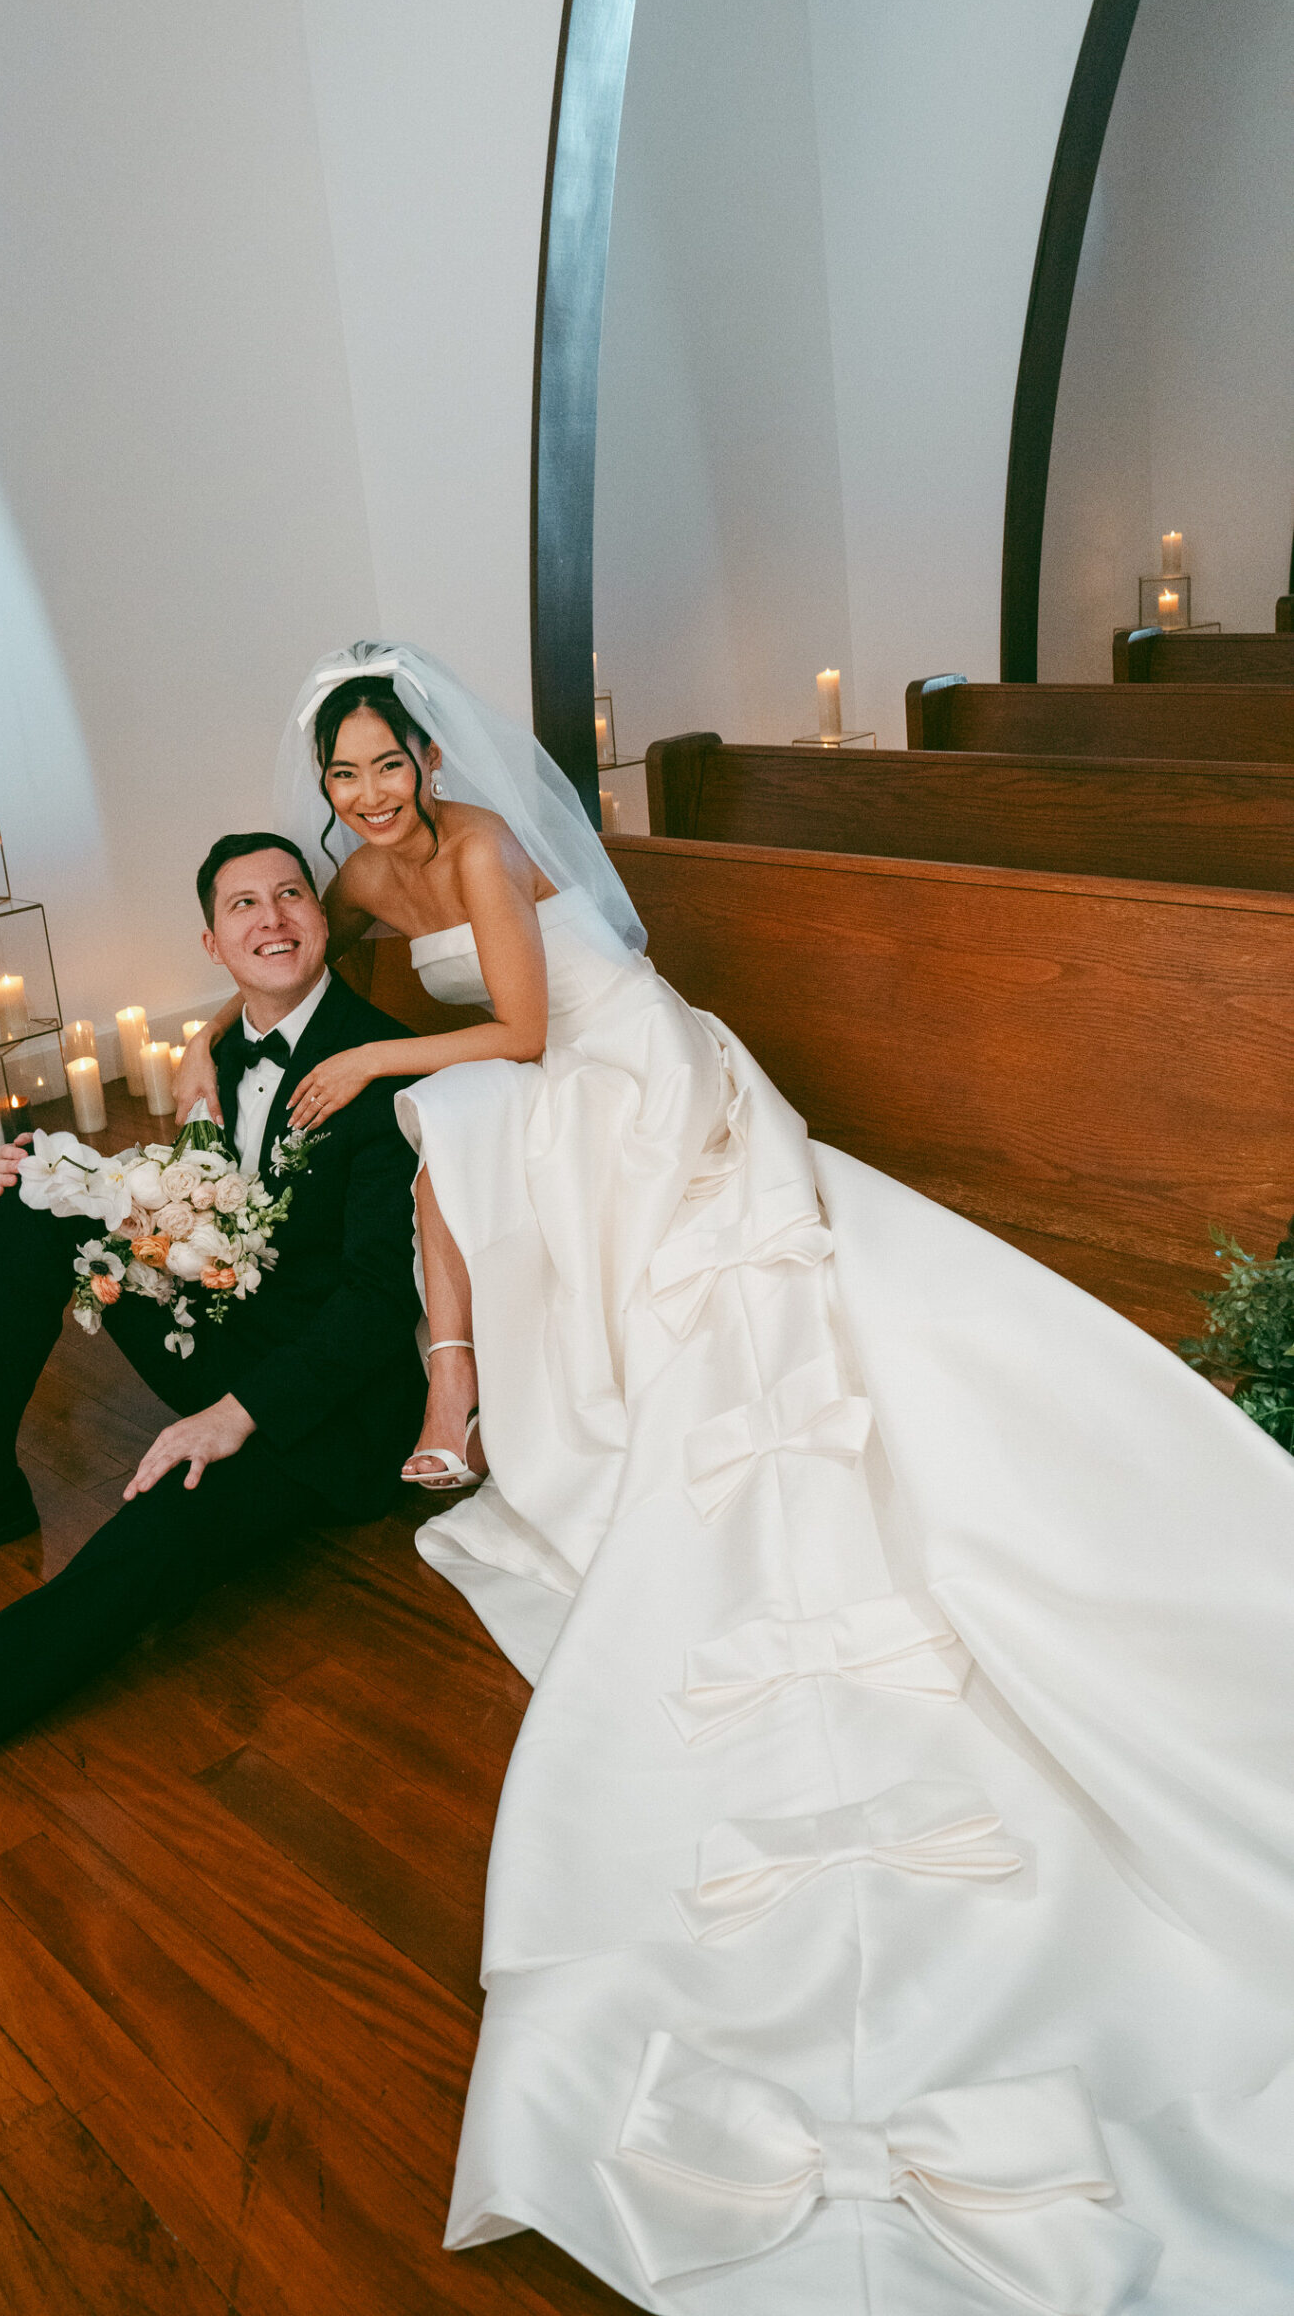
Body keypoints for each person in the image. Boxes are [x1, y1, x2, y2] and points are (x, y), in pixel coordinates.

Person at [216, 640, 1294, 2312]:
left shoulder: (487, 844)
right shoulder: (355, 877)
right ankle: (464, 1388)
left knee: (469, 1127)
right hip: (536, 1086)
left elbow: (514, 1019)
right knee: (461, 1134)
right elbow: (350, 967)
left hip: (625, 1070)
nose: (367, 798)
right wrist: (286, 1021)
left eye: (386, 765)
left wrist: (358, 1065)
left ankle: (484, 1391)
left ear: (427, 757)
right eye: (341, 775)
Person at [0, 832, 426, 1917]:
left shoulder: (379, 1066)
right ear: (212, 938)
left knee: (156, 1529)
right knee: (40, 1184)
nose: (273, 916)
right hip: (238, 1319)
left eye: (292, 894)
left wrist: (236, 1415)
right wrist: (57, 1173)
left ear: (323, 921)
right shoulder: (226, 1046)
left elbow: (382, 1307)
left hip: (324, 1409)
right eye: (245, 903)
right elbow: (203, 1202)